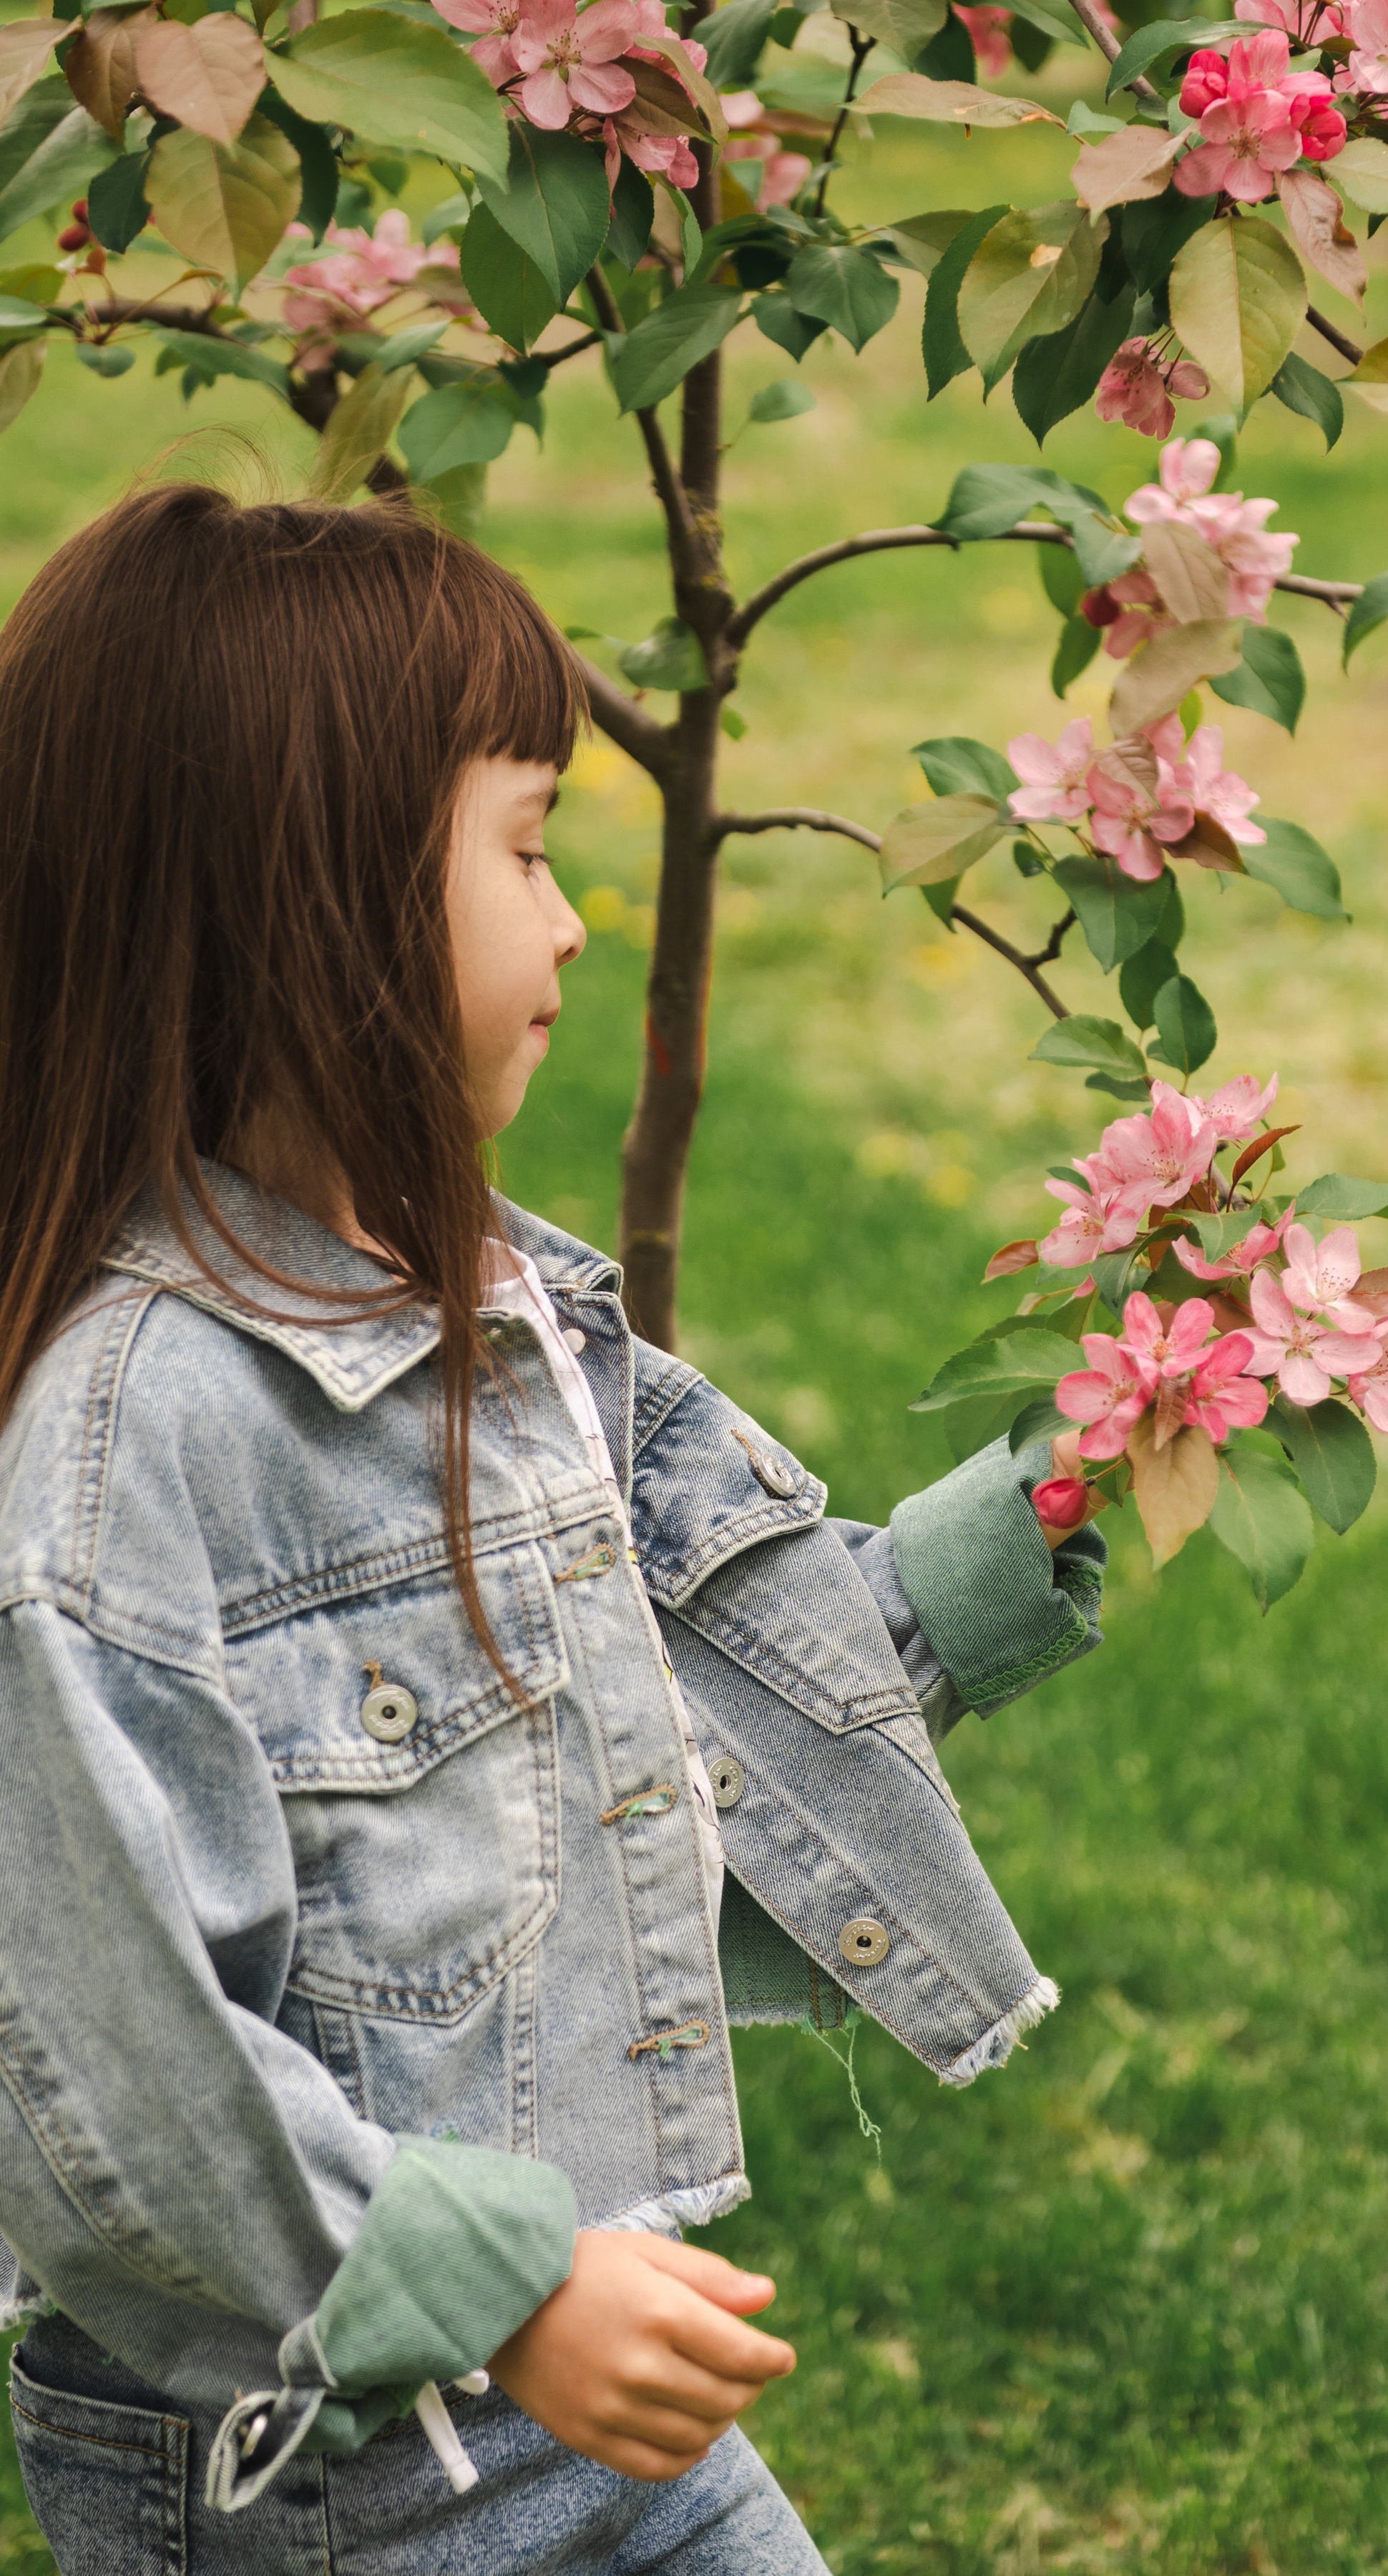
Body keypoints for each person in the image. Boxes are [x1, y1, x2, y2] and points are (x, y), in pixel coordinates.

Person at [0, 482, 1106, 2575]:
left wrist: (1041, 1514)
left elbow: (666, 1729)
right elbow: (104, 2074)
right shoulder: (128, 1455)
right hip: (328, 2480)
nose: (580, 918)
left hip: (583, 2391)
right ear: (314, 902)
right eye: (525, 847)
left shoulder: (477, 1305)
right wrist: (503, 2293)